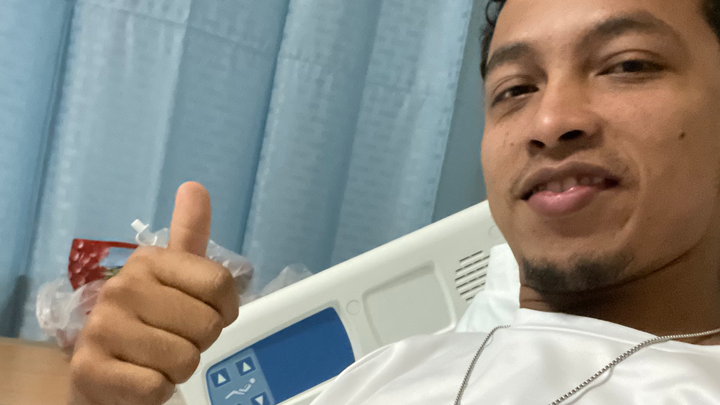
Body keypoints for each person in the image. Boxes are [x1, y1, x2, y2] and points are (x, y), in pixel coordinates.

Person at [69, 0, 720, 403]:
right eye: (515, 89)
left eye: (627, 64)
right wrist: (104, 398)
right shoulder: (386, 373)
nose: (549, 121)